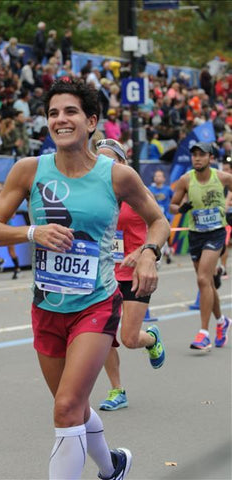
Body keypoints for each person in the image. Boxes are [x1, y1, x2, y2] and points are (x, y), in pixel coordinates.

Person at [0, 78, 169, 480]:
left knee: (66, 406)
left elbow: (159, 221)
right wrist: (33, 232)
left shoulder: (117, 176)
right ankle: (114, 465)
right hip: (47, 307)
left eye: (70, 112)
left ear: (91, 121)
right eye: (53, 113)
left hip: (96, 305)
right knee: (76, 408)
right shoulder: (29, 171)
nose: (60, 120)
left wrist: (149, 254)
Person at [95, 139, 166, 412]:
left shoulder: (136, 189)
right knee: (102, 335)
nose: (105, 166)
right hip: (104, 273)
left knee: (130, 338)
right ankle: (117, 390)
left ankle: (151, 338)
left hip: (137, 272)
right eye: (99, 160)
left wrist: (143, 252)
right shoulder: (95, 192)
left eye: (110, 160)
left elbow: (161, 224)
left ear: (122, 164)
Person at [170, 142, 232, 351]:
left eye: (201, 155)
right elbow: (173, 204)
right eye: (194, 155)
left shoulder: (222, 178)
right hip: (195, 233)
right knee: (207, 284)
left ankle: (204, 333)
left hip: (216, 233)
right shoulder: (186, 180)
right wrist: (181, 208)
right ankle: (222, 321)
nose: (197, 158)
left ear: (210, 157)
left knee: (203, 278)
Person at [0, 182, 22, 279]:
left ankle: (17, 268)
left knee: (11, 252)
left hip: (8, 228)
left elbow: (13, 215)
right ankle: (0, 260)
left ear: (3, 189)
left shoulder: (9, 200)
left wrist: (4, 212)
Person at [149, 169, 173, 264]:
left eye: (159, 176)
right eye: (156, 176)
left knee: (165, 236)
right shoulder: (150, 189)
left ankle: (165, 252)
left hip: (165, 217)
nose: (157, 178)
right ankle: (165, 252)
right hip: (153, 217)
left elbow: (174, 200)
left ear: (164, 178)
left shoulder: (168, 189)